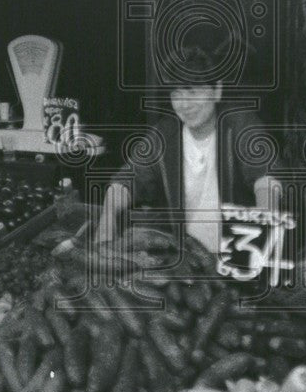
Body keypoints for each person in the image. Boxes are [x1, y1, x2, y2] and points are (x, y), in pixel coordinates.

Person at [96, 46, 281, 253]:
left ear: (217, 91)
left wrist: (265, 225)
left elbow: (265, 178)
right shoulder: (164, 134)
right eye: (176, 94)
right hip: (187, 256)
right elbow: (127, 180)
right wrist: (107, 217)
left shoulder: (240, 124)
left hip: (237, 255)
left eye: (192, 91)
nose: (184, 104)